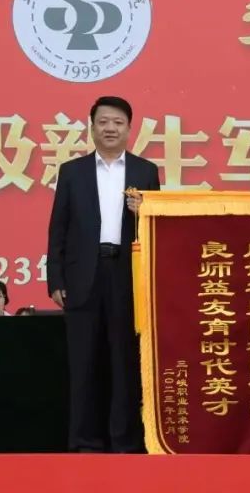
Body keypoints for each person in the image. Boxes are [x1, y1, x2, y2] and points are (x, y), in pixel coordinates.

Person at [47, 95, 161, 453]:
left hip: (127, 276)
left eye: (118, 122)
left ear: (129, 128)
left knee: (124, 361)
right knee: (84, 362)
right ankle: (85, 441)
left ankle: (124, 442)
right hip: (83, 275)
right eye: (103, 122)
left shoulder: (145, 171)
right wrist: (56, 279)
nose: (110, 128)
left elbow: (156, 230)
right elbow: (58, 229)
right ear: (92, 127)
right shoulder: (73, 171)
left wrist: (145, 210)